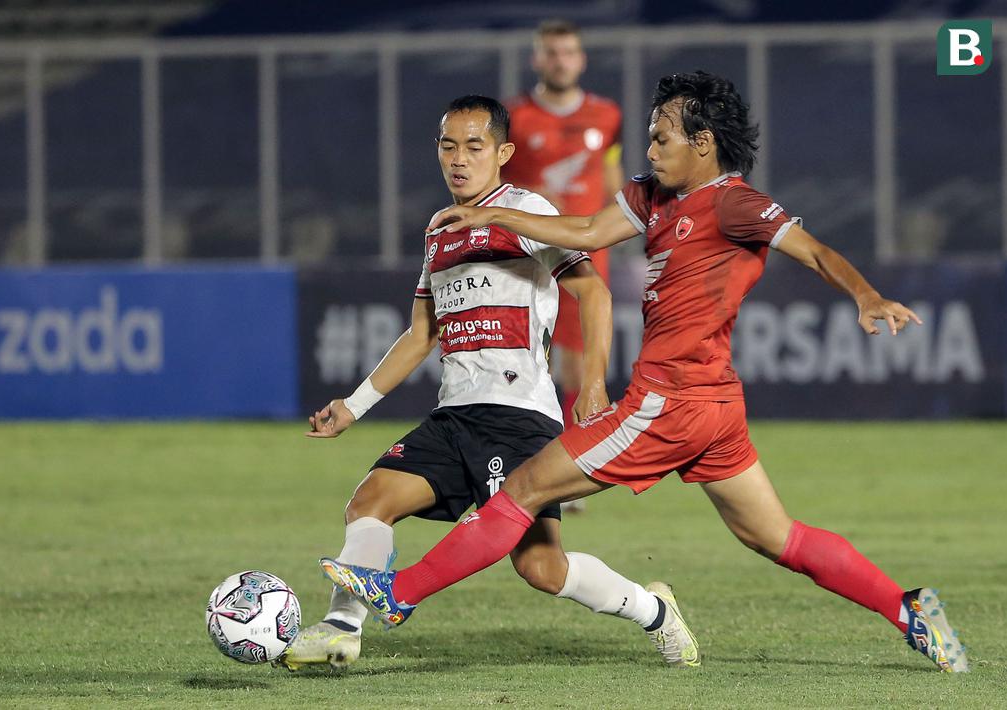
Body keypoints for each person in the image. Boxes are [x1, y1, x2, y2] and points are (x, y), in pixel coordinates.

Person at [321, 72, 969, 673]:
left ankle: (398, 591)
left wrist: (865, 296)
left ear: (704, 143)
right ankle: (907, 610)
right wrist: (496, 215)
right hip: (716, 406)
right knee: (776, 537)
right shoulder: (650, 195)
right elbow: (581, 230)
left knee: (521, 489)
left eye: (662, 137)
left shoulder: (731, 203)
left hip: (671, 400)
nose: (650, 147)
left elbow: (816, 251)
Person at [281, 95, 699, 671]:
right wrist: (354, 406)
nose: (459, 158)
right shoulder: (439, 229)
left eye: (474, 146)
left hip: (517, 416)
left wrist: (594, 385)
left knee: (541, 567)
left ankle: (654, 609)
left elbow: (594, 292)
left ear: (502, 152)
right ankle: (339, 630)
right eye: (448, 145)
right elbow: (420, 334)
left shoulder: (525, 210)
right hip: (453, 416)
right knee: (370, 502)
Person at [505, 19, 623, 433]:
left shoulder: (607, 115)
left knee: (579, 355)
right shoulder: (513, 117)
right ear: (537, 59)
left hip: (585, 249)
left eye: (569, 52)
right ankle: (527, 445)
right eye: (552, 52)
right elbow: (491, 183)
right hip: (524, 250)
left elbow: (612, 180)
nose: (560, 61)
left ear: (582, 59)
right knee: (528, 353)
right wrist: (529, 192)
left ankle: (570, 455)